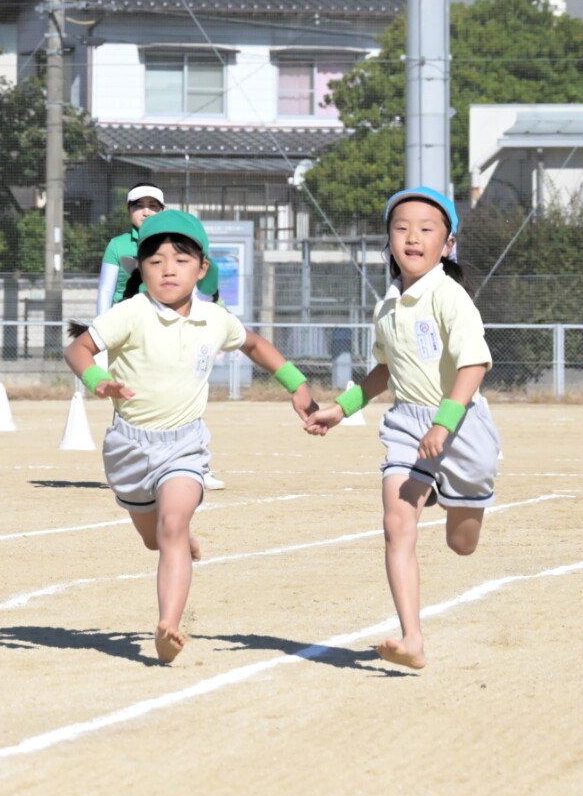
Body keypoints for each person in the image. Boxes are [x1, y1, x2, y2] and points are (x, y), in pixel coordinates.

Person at [66, 210, 317, 664]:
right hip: (128, 448)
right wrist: (99, 380)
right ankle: (177, 538)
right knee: (155, 539)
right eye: (155, 260)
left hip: (184, 446)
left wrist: (297, 385)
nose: (167, 269)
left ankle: (169, 624)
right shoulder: (131, 313)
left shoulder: (214, 318)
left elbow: (256, 345)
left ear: (202, 268)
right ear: (141, 268)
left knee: (173, 525)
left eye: (180, 260)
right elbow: (77, 347)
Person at [305, 186, 501, 670]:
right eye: (402, 227)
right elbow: (385, 370)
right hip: (407, 424)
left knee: (463, 543)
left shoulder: (450, 297)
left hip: (462, 426)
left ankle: (456, 507)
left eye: (426, 228)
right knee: (397, 526)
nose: (413, 236)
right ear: (389, 240)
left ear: (448, 244)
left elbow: (475, 365)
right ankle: (412, 637)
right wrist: (342, 407)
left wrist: (444, 422)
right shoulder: (386, 305)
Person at [97, 183, 228, 491]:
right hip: (130, 333)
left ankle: (196, 465)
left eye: (153, 205)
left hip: (175, 327)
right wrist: (102, 337)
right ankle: (131, 466)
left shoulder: (180, 244)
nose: (145, 210)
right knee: (127, 399)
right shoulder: (118, 246)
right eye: (138, 205)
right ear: (129, 211)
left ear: (162, 210)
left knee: (186, 395)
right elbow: (105, 291)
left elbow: (200, 289)